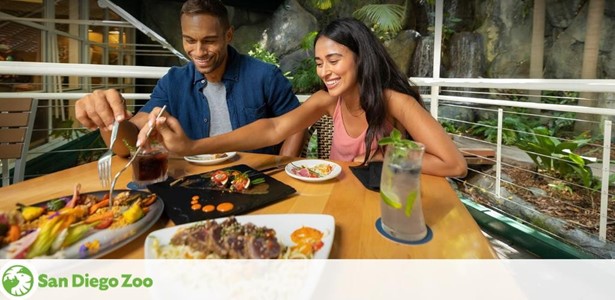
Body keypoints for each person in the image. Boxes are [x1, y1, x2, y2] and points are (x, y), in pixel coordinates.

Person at [141, 18, 467, 177]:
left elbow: (454, 165)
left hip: (384, 199)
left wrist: (386, 159)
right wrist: (193, 148)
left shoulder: (396, 102)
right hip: (341, 194)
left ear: (361, 57)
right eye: (320, 63)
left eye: (334, 60)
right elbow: (272, 129)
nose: (325, 71)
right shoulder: (328, 100)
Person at [75, 0, 305, 157]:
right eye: (190, 40)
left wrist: (283, 166)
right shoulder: (173, 82)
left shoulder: (265, 75)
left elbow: (297, 123)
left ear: (228, 35)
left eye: (209, 41)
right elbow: (127, 144)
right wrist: (110, 120)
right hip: (196, 181)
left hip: (259, 180)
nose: (198, 51)